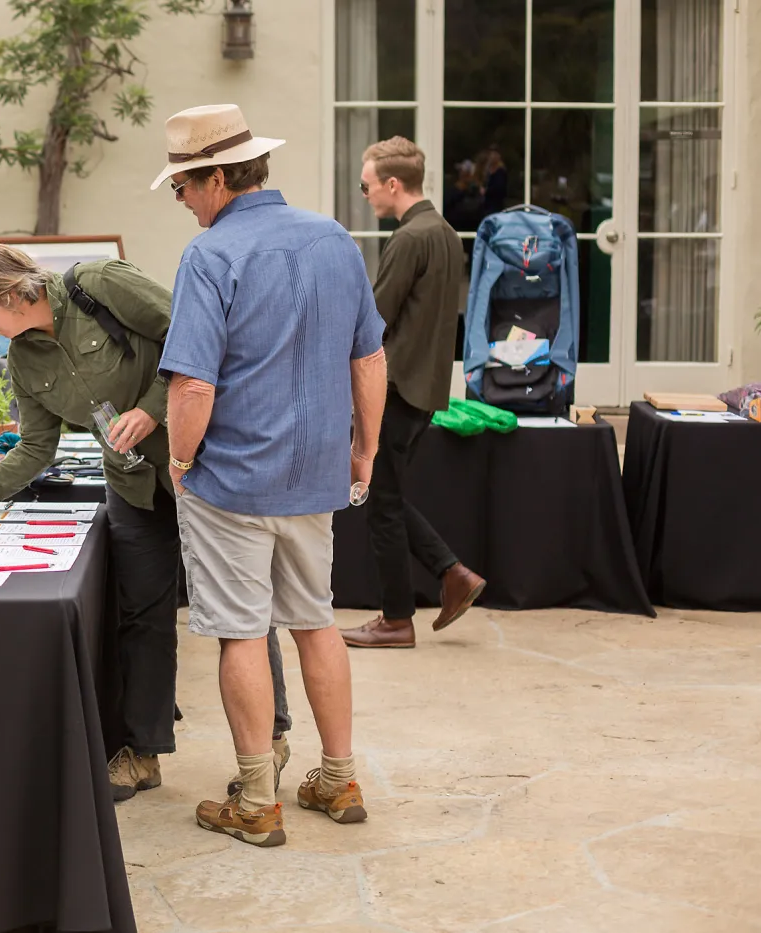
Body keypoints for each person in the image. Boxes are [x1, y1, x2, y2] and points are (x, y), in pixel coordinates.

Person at [151, 104, 388, 848]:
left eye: (183, 186)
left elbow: (192, 387)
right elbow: (369, 358)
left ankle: (257, 797)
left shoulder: (211, 255)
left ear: (218, 177)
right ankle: (338, 776)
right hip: (314, 473)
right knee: (315, 620)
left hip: (232, 479)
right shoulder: (334, 239)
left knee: (242, 633)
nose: (182, 201)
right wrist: (365, 450)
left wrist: (179, 461)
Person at [0, 244, 181, 802]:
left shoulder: (99, 283)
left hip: (201, 466)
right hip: (133, 486)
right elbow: (34, 450)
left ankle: (266, 746)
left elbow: (192, 339)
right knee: (141, 617)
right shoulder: (23, 360)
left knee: (239, 611)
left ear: (9, 292)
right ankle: (142, 752)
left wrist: (151, 408)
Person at [341, 137, 487, 650]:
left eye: (366, 185)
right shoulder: (444, 232)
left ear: (393, 184)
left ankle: (398, 619)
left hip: (396, 387)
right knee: (387, 497)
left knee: (381, 502)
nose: (365, 195)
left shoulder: (408, 239)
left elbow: (373, 322)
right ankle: (452, 577)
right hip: (424, 391)